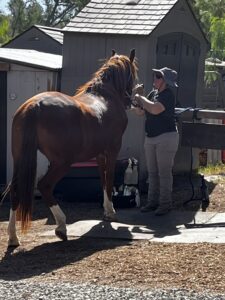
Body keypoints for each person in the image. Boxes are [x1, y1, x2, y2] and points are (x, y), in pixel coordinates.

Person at [133, 67, 179, 216]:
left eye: (158, 76)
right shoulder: (153, 94)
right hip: (151, 137)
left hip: (166, 137)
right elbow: (141, 112)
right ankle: (152, 202)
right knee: (152, 173)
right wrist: (137, 98)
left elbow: (155, 109)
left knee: (164, 173)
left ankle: (165, 204)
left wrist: (141, 97)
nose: (155, 78)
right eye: (155, 76)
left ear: (165, 81)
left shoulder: (168, 95)